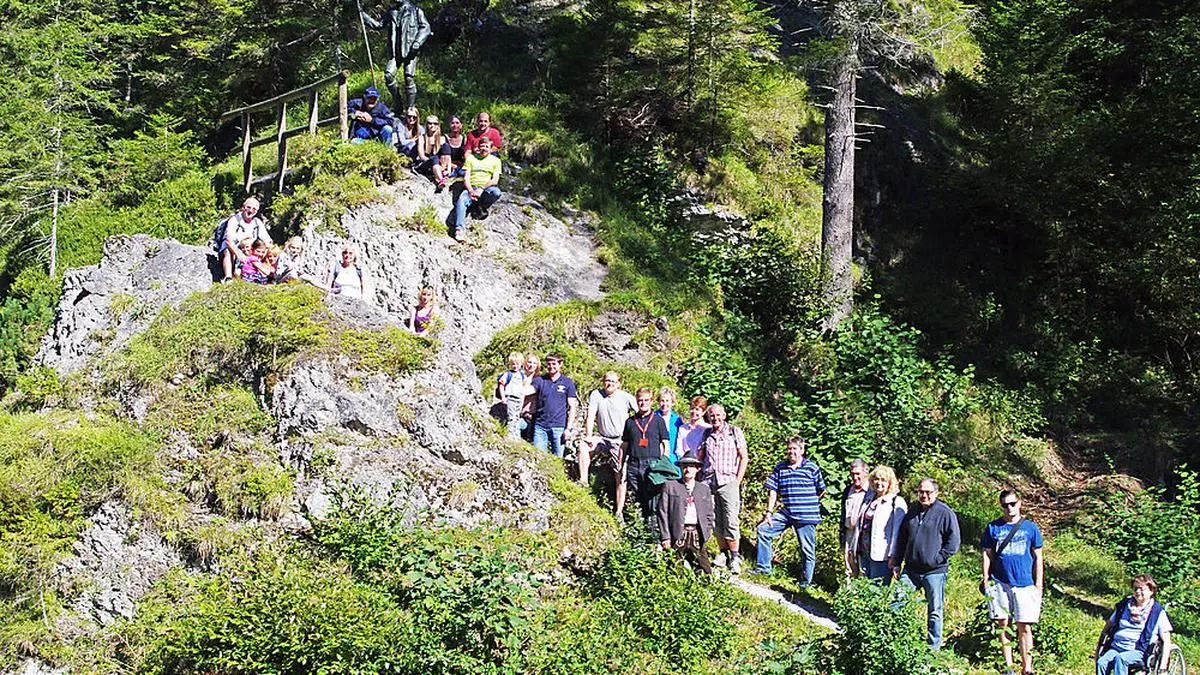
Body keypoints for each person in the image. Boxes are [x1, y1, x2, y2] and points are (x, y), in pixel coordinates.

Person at [891, 478, 961, 650]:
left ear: (936, 493)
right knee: (897, 602)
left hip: (934, 571)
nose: (923, 495)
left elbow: (954, 542)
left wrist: (938, 558)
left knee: (935, 610)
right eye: (920, 492)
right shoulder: (912, 512)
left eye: (928, 492)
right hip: (911, 570)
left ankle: (933, 648)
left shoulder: (945, 513)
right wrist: (897, 562)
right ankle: (895, 639)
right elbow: (902, 539)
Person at [981, 489, 1044, 675]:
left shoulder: (1031, 528)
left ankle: (1027, 667)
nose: (1009, 508)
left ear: (1020, 503)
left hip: (1024, 583)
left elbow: (1038, 557)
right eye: (1005, 505)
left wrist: (1039, 584)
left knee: (1024, 626)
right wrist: (986, 579)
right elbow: (987, 554)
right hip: (1000, 582)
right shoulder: (993, 528)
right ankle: (1009, 667)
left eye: (1012, 504)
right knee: (1003, 624)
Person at [755, 437, 826, 584]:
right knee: (763, 530)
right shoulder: (780, 468)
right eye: (789, 448)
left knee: (807, 550)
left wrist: (808, 504)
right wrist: (768, 512)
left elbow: (821, 489)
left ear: (802, 450)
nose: (791, 452)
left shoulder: (811, 468)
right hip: (787, 512)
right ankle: (763, 569)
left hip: (806, 515)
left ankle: (806, 584)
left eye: (795, 449)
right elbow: (773, 490)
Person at [698, 403, 748, 574]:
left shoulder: (734, 432)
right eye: (712, 415)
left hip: (728, 482)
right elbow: (700, 457)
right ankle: (722, 553)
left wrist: (737, 481)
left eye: (718, 415)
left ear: (724, 415)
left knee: (731, 520)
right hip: (710, 482)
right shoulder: (706, 434)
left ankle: (735, 557)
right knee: (715, 520)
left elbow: (744, 457)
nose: (715, 418)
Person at [1095, 574, 1174, 675]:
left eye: (1141, 589)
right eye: (1135, 588)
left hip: (1139, 650)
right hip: (1116, 647)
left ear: (1151, 591)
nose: (1137, 592)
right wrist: (1100, 646)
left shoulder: (1157, 611)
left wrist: (1163, 667)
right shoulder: (1124, 606)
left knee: (1121, 659)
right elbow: (1109, 625)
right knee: (1101, 662)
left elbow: (1166, 641)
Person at [359, 0, 431, 109]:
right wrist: (362, 15)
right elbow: (378, 25)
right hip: (395, 52)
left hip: (410, 51)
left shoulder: (416, 11)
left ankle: (410, 108)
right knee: (388, 76)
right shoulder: (392, 11)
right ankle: (398, 105)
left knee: (408, 78)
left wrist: (417, 42)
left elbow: (425, 27)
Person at [620, 387, 670, 526]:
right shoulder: (630, 421)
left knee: (653, 499)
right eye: (640, 401)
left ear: (652, 401)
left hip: (652, 464)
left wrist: (663, 465)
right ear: (636, 402)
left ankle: (653, 533)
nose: (643, 403)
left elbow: (665, 443)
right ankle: (638, 531)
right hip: (634, 464)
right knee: (637, 498)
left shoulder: (658, 421)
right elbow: (624, 445)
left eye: (646, 400)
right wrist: (620, 464)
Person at [658, 451, 715, 574]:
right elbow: (663, 512)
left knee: (704, 569)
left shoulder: (704, 489)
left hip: (697, 533)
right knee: (674, 568)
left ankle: (704, 592)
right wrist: (665, 537)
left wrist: (708, 531)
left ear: (697, 469)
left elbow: (709, 513)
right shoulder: (670, 486)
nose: (687, 469)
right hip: (677, 532)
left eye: (691, 466)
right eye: (685, 466)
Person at [582, 371, 636, 492]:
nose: (609, 384)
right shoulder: (596, 395)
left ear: (618, 384)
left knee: (620, 473)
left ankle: (619, 508)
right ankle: (583, 483)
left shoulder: (626, 397)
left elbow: (640, 413)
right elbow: (590, 416)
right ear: (603, 382)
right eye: (607, 380)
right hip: (602, 437)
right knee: (583, 446)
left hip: (619, 440)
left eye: (613, 381)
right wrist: (588, 436)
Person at [857, 465, 906, 581]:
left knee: (877, 589)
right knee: (864, 588)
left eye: (883, 480)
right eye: (876, 479)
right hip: (864, 552)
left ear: (890, 483)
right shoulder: (869, 499)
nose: (879, 483)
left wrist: (893, 556)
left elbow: (897, 533)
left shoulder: (896, 502)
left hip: (881, 555)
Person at [452, 135, 502, 242]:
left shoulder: (496, 161)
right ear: (479, 147)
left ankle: (479, 206)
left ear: (490, 148)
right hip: (471, 188)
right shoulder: (471, 158)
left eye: (486, 147)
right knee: (461, 200)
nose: (484, 148)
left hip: (485, 188)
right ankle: (459, 229)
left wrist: (481, 189)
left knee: (496, 193)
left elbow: (495, 180)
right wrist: (470, 191)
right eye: (482, 146)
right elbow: (466, 177)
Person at [531, 353, 578, 459]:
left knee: (557, 459)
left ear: (560, 364)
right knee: (538, 458)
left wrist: (568, 428)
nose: (551, 366)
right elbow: (530, 390)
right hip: (540, 427)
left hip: (559, 427)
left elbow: (572, 407)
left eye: (554, 364)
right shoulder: (540, 380)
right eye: (549, 364)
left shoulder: (567, 382)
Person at [218, 197, 271, 282]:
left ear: (256, 211)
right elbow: (228, 240)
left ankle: (268, 276)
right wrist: (239, 255)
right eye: (248, 207)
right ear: (243, 207)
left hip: (251, 250)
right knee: (227, 249)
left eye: (254, 209)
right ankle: (228, 277)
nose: (250, 210)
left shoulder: (257, 222)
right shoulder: (235, 220)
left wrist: (264, 253)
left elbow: (267, 240)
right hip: (235, 249)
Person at [841, 458, 871, 578]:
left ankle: (862, 593)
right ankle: (849, 594)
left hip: (863, 535)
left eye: (858, 474)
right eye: (852, 474)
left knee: (863, 568)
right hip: (849, 533)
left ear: (865, 472)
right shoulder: (848, 490)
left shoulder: (871, 491)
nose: (855, 477)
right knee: (849, 565)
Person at [496, 352, 529, 440]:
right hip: (510, 397)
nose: (515, 366)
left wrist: (523, 396)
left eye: (517, 364)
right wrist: (503, 397)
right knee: (511, 417)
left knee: (516, 417)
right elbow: (501, 385)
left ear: (521, 364)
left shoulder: (522, 375)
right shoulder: (507, 374)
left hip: (519, 398)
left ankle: (516, 434)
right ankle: (510, 435)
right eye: (513, 364)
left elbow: (525, 385)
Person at [434, 115, 466, 191]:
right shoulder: (443, 138)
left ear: (461, 125)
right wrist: (451, 165)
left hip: (460, 166)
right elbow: (440, 155)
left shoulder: (465, 139)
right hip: (447, 166)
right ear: (449, 125)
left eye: (457, 123)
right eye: (452, 123)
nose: (455, 125)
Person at [675, 395, 709, 462]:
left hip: (702, 465)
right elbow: (679, 449)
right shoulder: (683, 428)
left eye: (697, 409)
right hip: (685, 463)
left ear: (703, 412)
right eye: (692, 408)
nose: (694, 412)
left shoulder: (707, 428)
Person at [655, 387, 685, 464]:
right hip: (655, 458)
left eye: (667, 401)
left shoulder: (677, 420)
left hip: (673, 459)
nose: (664, 404)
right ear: (658, 402)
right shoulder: (653, 417)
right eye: (662, 401)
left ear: (672, 403)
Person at [520, 354, 540, 442]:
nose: (531, 365)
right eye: (529, 362)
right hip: (516, 414)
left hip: (531, 417)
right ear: (525, 363)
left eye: (534, 363)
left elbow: (526, 392)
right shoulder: (518, 376)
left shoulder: (538, 380)